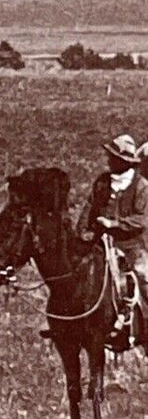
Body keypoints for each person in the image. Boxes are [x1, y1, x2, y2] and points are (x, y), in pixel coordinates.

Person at [76, 133, 148, 346]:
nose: (109, 161)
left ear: (124, 162)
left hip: (131, 247)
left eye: (113, 158)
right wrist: (82, 233)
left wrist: (114, 224)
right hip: (100, 245)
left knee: (144, 279)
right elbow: (89, 209)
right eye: (109, 157)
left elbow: (142, 219)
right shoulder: (102, 182)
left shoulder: (141, 186)